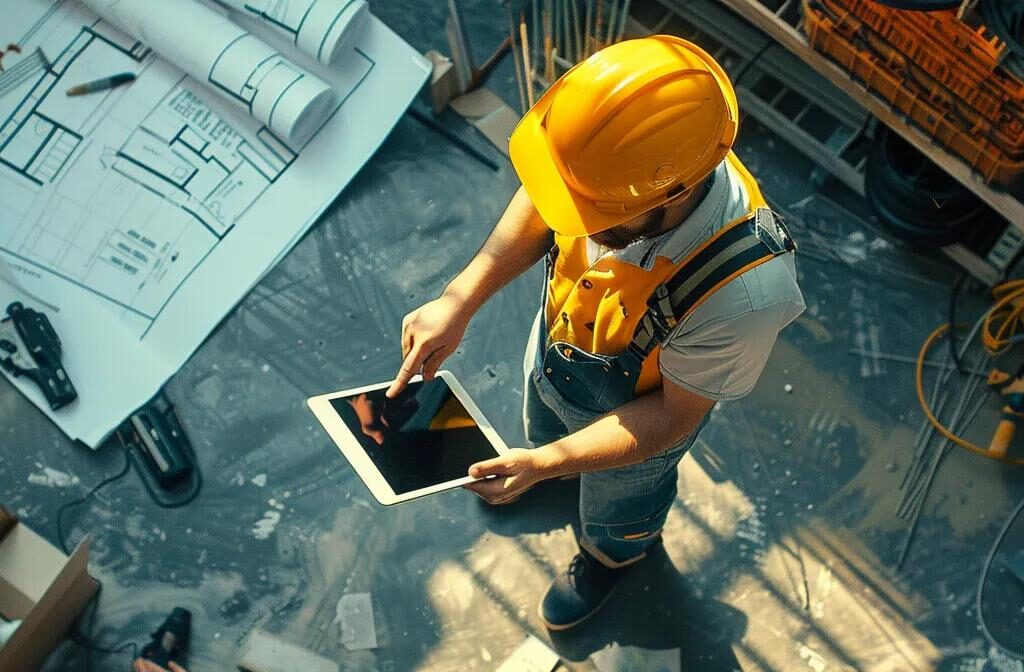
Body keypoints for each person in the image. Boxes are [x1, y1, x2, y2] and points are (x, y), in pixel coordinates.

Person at [386, 35, 805, 631]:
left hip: (634, 425)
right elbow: (545, 201)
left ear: (673, 195)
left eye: (591, 214)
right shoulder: (622, 161)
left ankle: (611, 557)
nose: (573, 222)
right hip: (560, 353)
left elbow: (672, 418)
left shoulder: (742, 294)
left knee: (617, 508)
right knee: (543, 433)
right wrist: (460, 299)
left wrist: (547, 462)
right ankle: (552, 473)